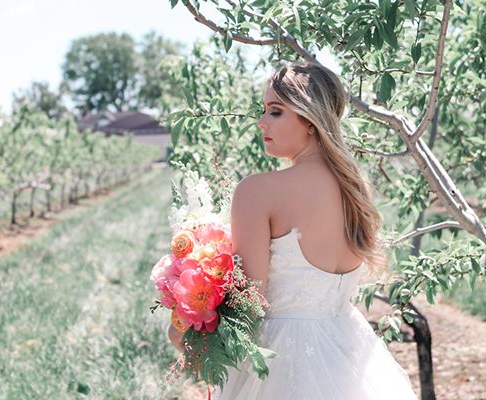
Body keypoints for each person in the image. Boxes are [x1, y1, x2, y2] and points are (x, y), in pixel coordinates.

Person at [168, 61, 418, 399]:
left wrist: (188, 325)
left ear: (310, 119)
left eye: (275, 111)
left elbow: (250, 308)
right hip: (349, 353)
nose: (261, 121)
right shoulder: (354, 191)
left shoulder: (258, 191)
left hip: (282, 363)